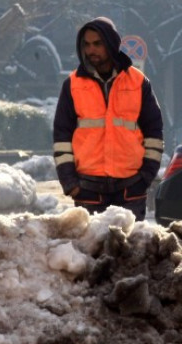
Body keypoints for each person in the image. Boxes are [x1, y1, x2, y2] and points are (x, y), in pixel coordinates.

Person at [52, 17, 164, 221]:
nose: (91, 50)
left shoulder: (139, 82)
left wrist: (145, 177)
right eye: (86, 44)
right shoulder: (72, 84)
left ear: (111, 43)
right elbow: (61, 136)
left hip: (130, 189)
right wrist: (70, 183)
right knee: (91, 252)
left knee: (131, 251)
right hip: (88, 190)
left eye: (97, 44)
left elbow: (154, 132)